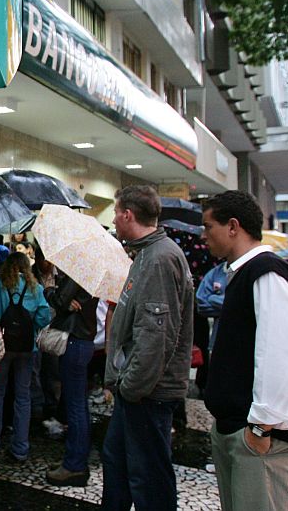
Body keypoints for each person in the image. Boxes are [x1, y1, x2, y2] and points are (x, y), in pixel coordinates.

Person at [201, 191, 288, 511]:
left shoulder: (267, 272)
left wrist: (261, 426)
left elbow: (283, 353)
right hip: (238, 426)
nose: (204, 235)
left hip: (258, 435)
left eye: (208, 226)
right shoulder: (245, 272)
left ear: (233, 226)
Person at [102, 185, 194, 511]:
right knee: (119, 464)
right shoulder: (146, 255)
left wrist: (130, 387)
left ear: (128, 214)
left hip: (148, 394)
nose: (113, 220)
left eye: (115, 213)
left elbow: (155, 337)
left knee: (149, 477)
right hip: (138, 392)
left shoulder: (159, 259)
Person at [0, 253, 49, 461]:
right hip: (27, 349)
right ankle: (20, 447)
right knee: (23, 396)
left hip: (3, 347)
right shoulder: (36, 288)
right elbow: (44, 316)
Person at [44, 272, 99, 487]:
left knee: (75, 406)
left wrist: (49, 288)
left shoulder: (79, 271)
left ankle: (74, 465)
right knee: (78, 405)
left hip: (75, 340)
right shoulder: (90, 273)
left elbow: (60, 300)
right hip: (83, 340)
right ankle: (74, 458)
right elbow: (65, 302)